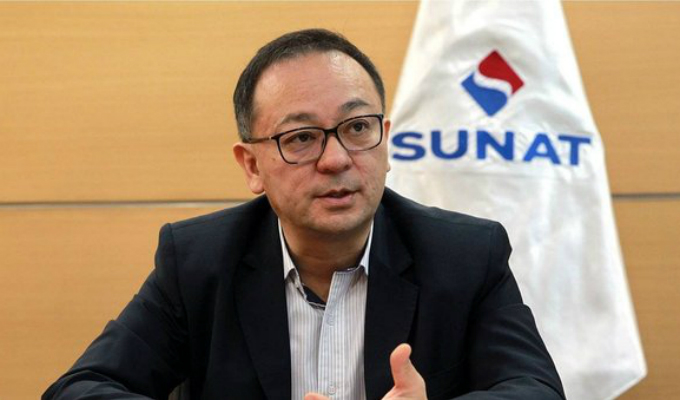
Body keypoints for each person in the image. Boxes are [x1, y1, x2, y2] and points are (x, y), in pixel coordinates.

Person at [44, 29, 565, 400]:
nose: (336, 159)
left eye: (357, 128)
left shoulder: (465, 256)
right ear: (252, 165)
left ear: (385, 140)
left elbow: (535, 389)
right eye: (300, 138)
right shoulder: (198, 263)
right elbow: (82, 388)